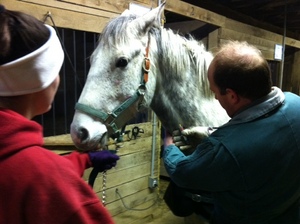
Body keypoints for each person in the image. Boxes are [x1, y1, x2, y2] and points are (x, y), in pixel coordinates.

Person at [0, 5, 119, 224]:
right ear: (40, 81)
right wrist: (57, 172)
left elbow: (24, 170)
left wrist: (84, 160)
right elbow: (40, 176)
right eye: (56, 70)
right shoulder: (50, 181)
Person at [163, 40, 300, 223]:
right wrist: (211, 133)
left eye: (215, 92)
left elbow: (182, 173)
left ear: (232, 96)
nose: (214, 97)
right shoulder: (296, 102)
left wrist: (169, 145)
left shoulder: (225, 149)